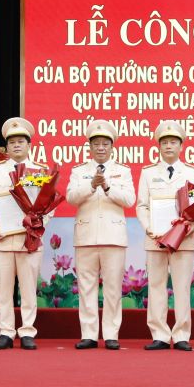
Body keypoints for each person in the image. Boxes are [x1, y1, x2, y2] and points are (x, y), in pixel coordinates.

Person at [65, 119, 135, 350]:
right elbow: (71, 198)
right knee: (86, 287)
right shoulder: (79, 171)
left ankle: (112, 333)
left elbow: (129, 200)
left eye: (105, 143)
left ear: (112, 147)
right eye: (96, 144)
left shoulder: (123, 171)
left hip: (113, 236)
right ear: (90, 147)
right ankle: (89, 334)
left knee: (113, 287)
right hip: (86, 236)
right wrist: (91, 186)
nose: (101, 148)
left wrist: (106, 187)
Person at [0, 117, 49, 350]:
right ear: (6, 147)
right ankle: (6, 332)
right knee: (4, 288)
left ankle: (28, 330)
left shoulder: (40, 171)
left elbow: (49, 203)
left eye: (21, 141)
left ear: (29, 145)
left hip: (29, 239)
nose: (17, 146)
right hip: (3, 239)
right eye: (12, 143)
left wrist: (39, 224)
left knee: (29, 288)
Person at [136, 120, 194, 351]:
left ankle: (182, 334)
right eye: (164, 142)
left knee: (182, 287)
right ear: (158, 146)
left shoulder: (193, 173)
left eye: (173, 142)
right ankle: (160, 334)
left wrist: (191, 226)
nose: (168, 146)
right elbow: (142, 206)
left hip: (183, 240)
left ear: (181, 146)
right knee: (156, 285)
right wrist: (148, 227)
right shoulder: (147, 172)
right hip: (155, 238)